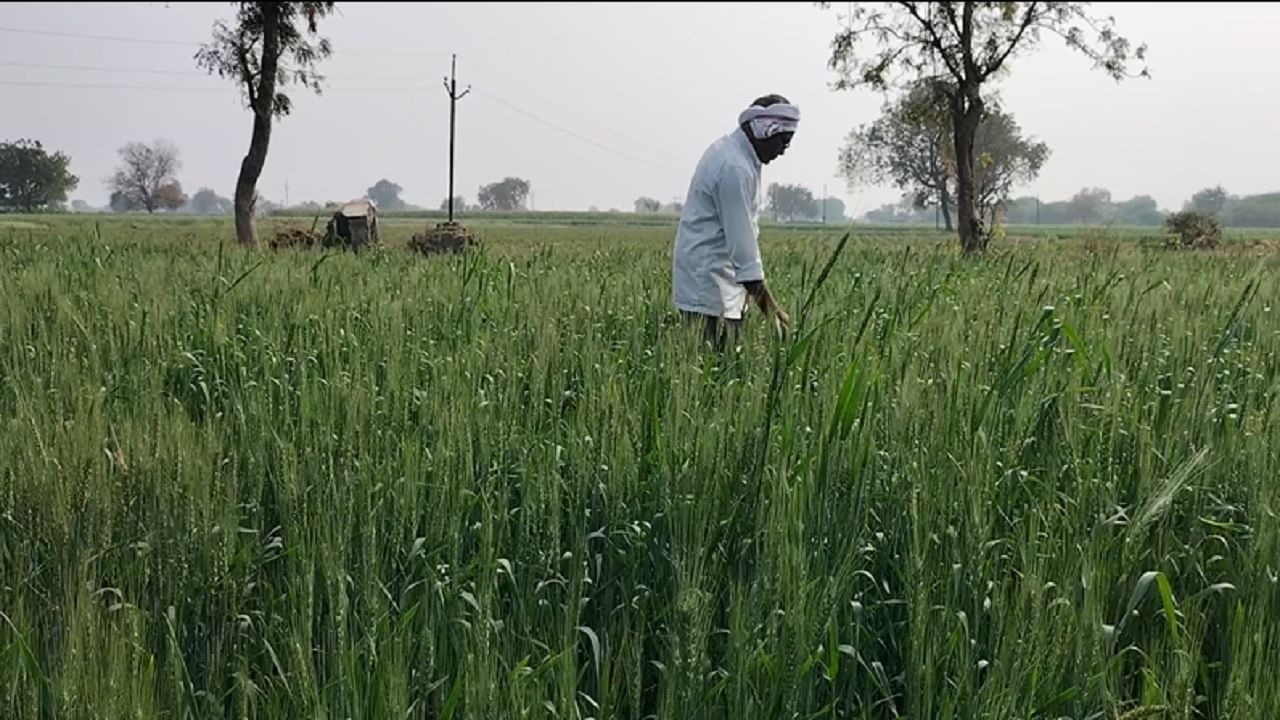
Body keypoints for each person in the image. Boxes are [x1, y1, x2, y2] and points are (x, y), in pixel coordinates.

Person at [671, 94, 798, 350]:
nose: (784, 150)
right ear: (764, 131)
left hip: (719, 286)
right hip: (710, 290)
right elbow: (744, 252)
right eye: (782, 141)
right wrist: (772, 311)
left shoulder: (731, 152)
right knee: (712, 370)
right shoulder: (734, 168)